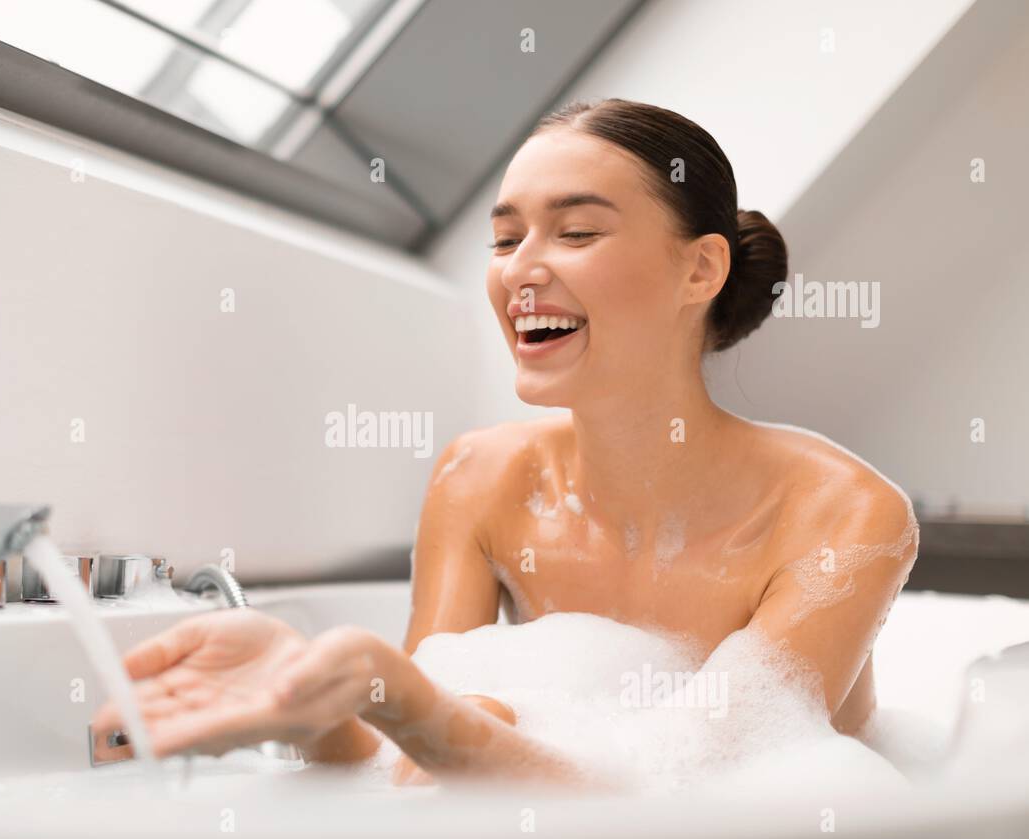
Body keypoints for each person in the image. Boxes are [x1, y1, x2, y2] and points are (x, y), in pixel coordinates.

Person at [91, 99, 918, 790]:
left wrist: (393, 693)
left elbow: (684, 807)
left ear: (700, 272)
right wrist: (322, 703)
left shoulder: (842, 515)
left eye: (577, 233)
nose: (521, 271)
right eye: (504, 237)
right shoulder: (481, 477)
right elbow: (407, 763)